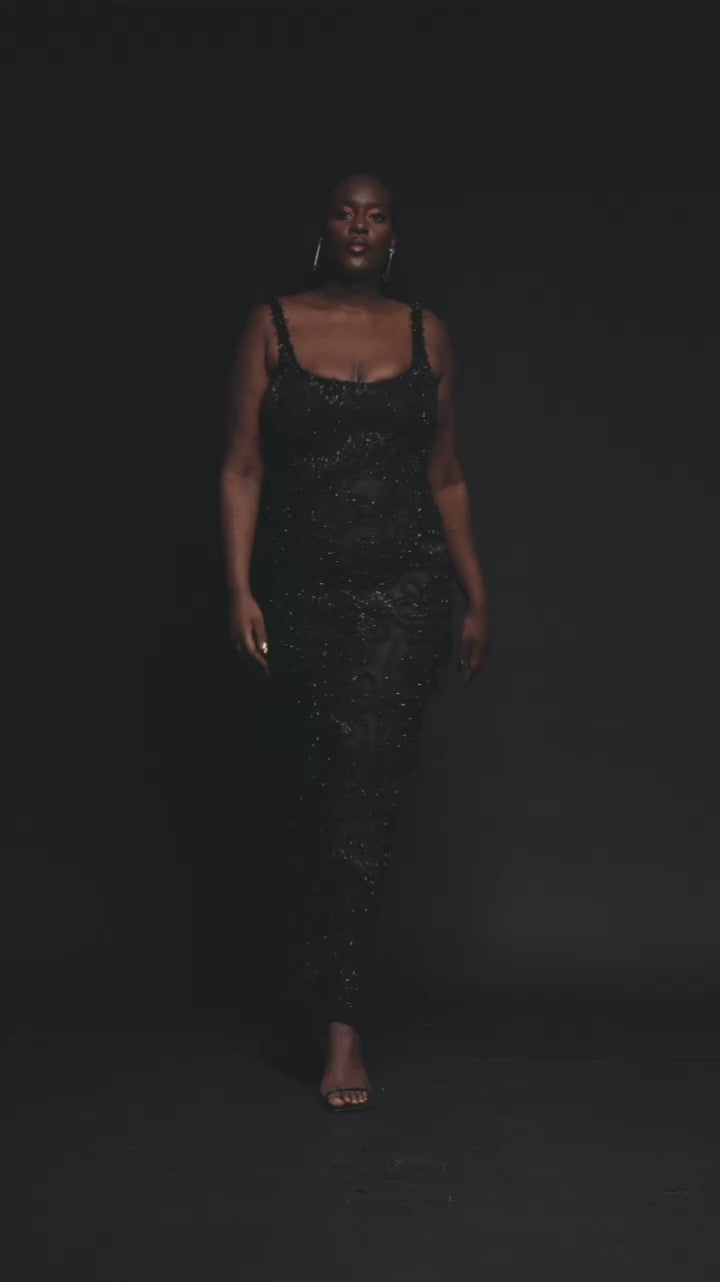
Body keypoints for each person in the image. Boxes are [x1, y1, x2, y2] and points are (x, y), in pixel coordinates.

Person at [220, 172, 488, 1112]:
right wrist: (239, 587)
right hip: (301, 594)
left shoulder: (427, 333)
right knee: (315, 794)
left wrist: (476, 593)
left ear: (393, 235)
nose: (360, 225)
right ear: (324, 228)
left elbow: (446, 476)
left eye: (376, 214)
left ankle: (344, 1032)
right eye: (345, 211)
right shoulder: (273, 325)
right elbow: (242, 465)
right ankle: (312, 980)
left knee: (365, 796)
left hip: (406, 594)